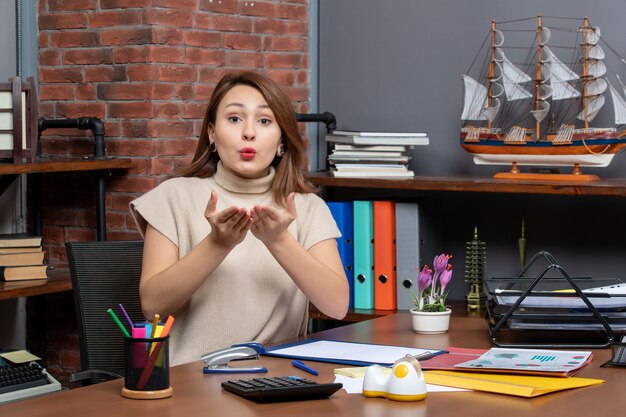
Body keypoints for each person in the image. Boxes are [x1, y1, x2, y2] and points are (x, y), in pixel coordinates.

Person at [130, 71, 349, 365]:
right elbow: (152, 307)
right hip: (192, 384)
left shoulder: (307, 207)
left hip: (277, 383)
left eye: (264, 121)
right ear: (211, 133)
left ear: (282, 140)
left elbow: (336, 305)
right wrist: (218, 244)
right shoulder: (173, 197)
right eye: (234, 119)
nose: (249, 132)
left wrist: (279, 240)